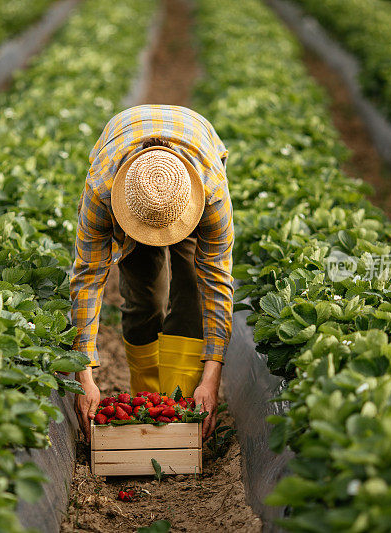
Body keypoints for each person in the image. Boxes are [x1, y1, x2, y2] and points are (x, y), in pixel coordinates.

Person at [70, 104, 234, 441]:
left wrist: (211, 378)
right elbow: (88, 278)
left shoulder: (212, 193)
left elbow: (217, 283)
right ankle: (145, 401)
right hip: (129, 185)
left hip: (191, 182)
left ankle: (183, 406)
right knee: (144, 297)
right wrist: (83, 376)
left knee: (191, 290)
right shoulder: (103, 191)